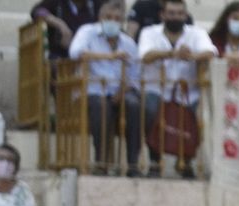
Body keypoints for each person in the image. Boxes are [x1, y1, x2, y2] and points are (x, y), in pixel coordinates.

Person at [137, 0, 217, 177]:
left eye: (180, 13)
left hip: (187, 92)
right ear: (162, 15)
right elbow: (145, 55)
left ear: (185, 15)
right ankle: (155, 161)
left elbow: (211, 52)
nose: (176, 17)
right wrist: (173, 54)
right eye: (171, 13)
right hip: (156, 90)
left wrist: (191, 55)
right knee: (149, 110)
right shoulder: (149, 32)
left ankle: (185, 162)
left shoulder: (196, 33)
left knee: (200, 116)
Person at [69, 0, 142, 177]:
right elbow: (76, 52)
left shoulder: (128, 43)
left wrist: (123, 90)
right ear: (100, 17)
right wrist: (109, 56)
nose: (112, 21)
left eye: (117, 18)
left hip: (119, 91)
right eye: (108, 17)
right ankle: (101, 162)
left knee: (134, 105)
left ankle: (133, 164)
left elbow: (135, 75)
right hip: (93, 90)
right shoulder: (87, 32)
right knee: (101, 107)